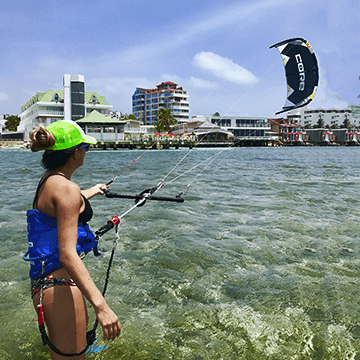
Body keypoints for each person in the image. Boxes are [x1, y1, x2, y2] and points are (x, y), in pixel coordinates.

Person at [23, 120, 121, 359]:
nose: (85, 153)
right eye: (85, 148)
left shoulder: (49, 181)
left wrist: (91, 191)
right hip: (61, 288)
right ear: (76, 153)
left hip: (45, 284)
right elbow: (68, 254)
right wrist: (101, 306)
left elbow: (66, 203)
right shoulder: (66, 188)